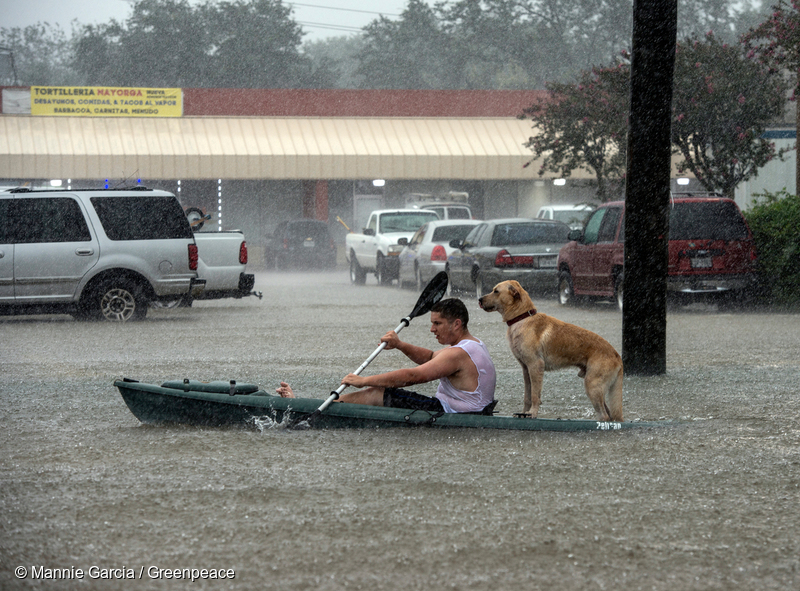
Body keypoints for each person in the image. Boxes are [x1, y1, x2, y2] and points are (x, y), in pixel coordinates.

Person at [276, 298, 496, 414]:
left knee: (376, 393)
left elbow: (413, 376)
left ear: (456, 324)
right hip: (466, 409)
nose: (432, 329)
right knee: (378, 392)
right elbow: (430, 358)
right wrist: (399, 345)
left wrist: (363, 381)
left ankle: (308, 408)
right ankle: (314, 404)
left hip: (454, 414)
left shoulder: (457, 353)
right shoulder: (473, 345)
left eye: (437, 324)